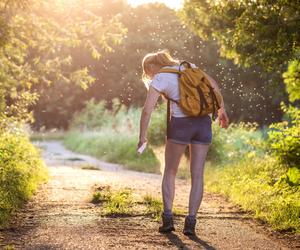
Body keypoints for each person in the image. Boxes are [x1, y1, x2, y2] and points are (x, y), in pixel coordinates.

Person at [137, 50, 229, 236]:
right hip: (203, 123)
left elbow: (147, 110)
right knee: (197, 175)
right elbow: (213, 85)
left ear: (151, 67)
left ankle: (168, 220)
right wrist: (221, 111)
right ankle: (190, 223)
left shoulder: (161, 77)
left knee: (170, 171)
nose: (149, 76)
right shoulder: (189, 67)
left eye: (148, 72)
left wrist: (142, 136)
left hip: (181, 125)